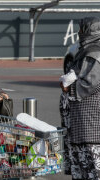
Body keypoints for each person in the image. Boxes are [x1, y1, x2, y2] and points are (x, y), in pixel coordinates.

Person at [60, 17, 100, 180]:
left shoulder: (93, 53)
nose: (79, 33)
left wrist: (68, 87)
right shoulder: (86, 51)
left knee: (91, 166)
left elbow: (90, 83)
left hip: (89, 122)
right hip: (82, 122)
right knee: (84, 165)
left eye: (82, 29)